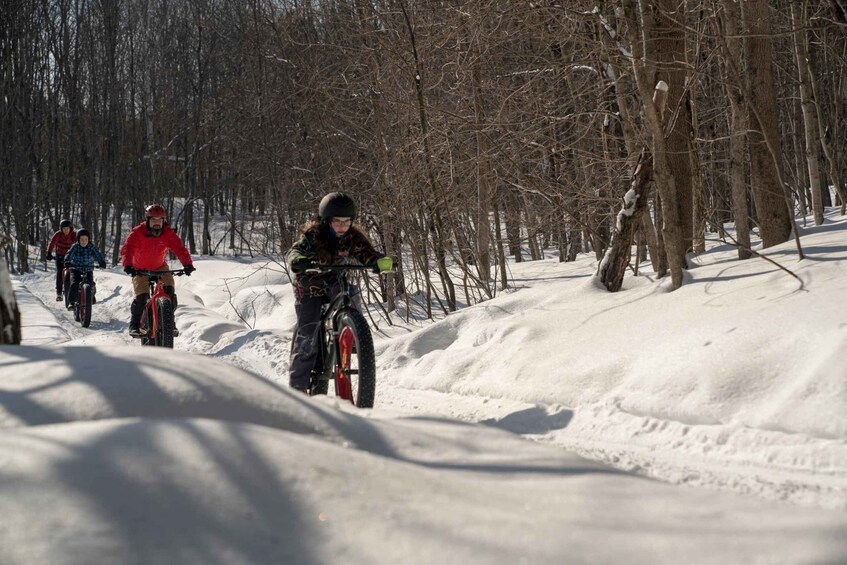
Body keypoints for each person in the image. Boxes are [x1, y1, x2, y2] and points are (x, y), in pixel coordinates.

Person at [287, 192, 393, 394]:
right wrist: (299, 260)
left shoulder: (353, 237)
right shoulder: (313, 235)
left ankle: (354, 334)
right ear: (326, 221)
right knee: (308, 332)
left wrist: (378, 261)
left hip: (335, 279)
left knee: (351, 291)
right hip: (310, 283)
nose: (342, 226)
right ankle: (298, 387)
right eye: (337, 221)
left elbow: (367, 253)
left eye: (347, 221)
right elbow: (296, 250)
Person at [120, 204, 195, 337]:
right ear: (147, 220)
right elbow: (128, 248)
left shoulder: (167, 233)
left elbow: (179, 248)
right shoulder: (138, 232)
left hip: (160, 267)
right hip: (139, 269)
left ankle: (169, 322)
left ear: (164, 221)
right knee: (142, 296)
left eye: (160, 220)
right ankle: (135, 324)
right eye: (153, 220)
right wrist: (128, 265)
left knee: (169, 291)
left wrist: (187, 264)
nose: (157, 223)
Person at [63, 229, 107, 308]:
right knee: (75, 283)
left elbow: (97, 254)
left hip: (88, 269)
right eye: (82, 239)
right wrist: (67, 261)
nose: (84, 241)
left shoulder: (91, 247)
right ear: (78, 240)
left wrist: (102, 262)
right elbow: (69, 254)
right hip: (76, 268)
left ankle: (91, 296)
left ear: (88, 239)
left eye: (86, 239)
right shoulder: (75, 246)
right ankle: (71, 301)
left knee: (91, 284)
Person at [46, 219, 77, 301]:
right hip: (60, 256)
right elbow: (52, 243)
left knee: (75, 272)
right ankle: (59, 293)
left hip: (71, 256)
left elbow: (78, 244)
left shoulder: (74, 235)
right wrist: (49, 253)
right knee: (60, 273)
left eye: (67, 229)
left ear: (71, 228)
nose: (66, 231)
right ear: (61, 229)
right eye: (64, 229)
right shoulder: (58, 235)